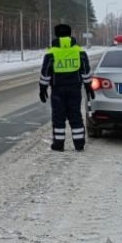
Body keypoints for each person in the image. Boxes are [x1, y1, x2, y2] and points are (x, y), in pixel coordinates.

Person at [39, 23, 93, 151]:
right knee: (75, 115)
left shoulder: (51, 52)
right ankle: (79, 144)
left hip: (58, 90)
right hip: (75, 89)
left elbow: (46, 72)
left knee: (58, 117)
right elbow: (85, 70)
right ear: (70, 34)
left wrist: (43, 88)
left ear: (56, 35)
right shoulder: (79, 51)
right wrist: (88, 86)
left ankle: (58, 144)